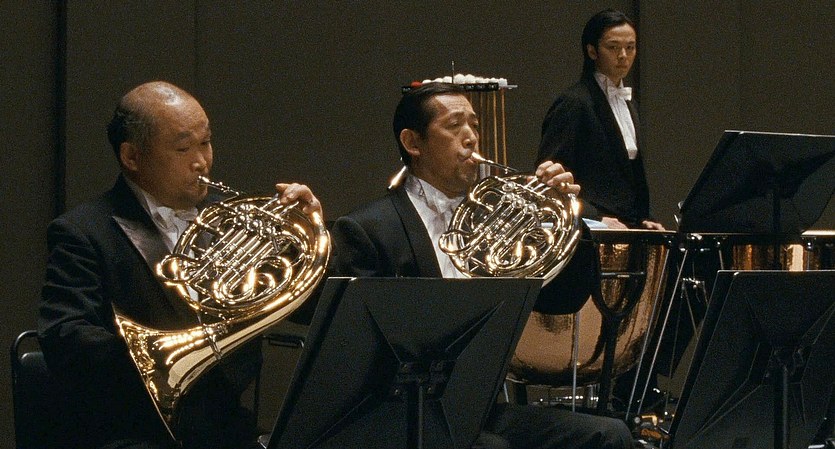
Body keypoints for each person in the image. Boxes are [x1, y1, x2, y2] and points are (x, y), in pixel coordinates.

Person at [328, 82, 634, 449]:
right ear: (413, 143)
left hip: (477, 410)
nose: (471, 137)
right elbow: (353, 351)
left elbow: (562, 300)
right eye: (454, 125)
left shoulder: (493, 217)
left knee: (610, 436)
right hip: (399, 416)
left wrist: (569, 217)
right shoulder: (367, 228)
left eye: (474, 125)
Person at [37, 81, 322, 449]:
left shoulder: (235, 222)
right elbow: (65, 337)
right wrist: (155, 358)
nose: (202, 161)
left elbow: (309, 308)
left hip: (225, 427)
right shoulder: (83, 232)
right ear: (132, 157)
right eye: (184, 148)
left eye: (206, 142)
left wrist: (310, 233)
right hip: (133, 430)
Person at [538, 9, 665, 230]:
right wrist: (595, 218)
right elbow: (549, 181)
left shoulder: (629, 104)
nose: (623, 55)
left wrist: (646, 219)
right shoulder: (574, 103)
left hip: (627, 229)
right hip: (591, 230)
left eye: (630, 47)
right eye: (613, 47)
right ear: (592, 51)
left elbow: (631, 177)